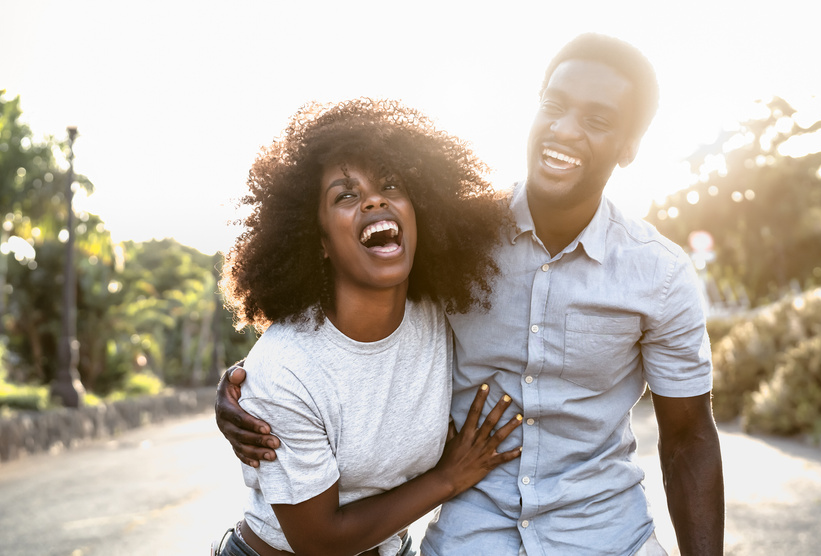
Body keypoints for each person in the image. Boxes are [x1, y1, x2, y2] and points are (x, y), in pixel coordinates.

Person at [217, 34, 725, 555]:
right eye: (554, 106)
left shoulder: (659, 275)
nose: (565, 129)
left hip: (607, 537)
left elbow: (689, 438)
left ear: (629, 147)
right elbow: (344, 308)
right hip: (468, 540)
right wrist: (250, 388)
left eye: (597, 120)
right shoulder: (455, 238)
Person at [211, 98, 524, 556]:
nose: (374, 200)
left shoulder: (444, 315)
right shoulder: (284, 368)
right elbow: (319, 541)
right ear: (318, 241)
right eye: (346, 194)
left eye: (390, 185)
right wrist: (449, 478)